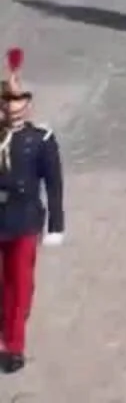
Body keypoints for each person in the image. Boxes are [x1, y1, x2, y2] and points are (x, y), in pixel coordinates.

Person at [0, 49, 64, 373]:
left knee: (20, 281)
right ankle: (7, 320)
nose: (12, 107)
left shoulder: (40, 139)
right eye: (6, 102)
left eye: (17, 101)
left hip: (24, 218)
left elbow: (53, 183)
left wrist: (56, 226)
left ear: (28, 105)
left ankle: (13, 345)